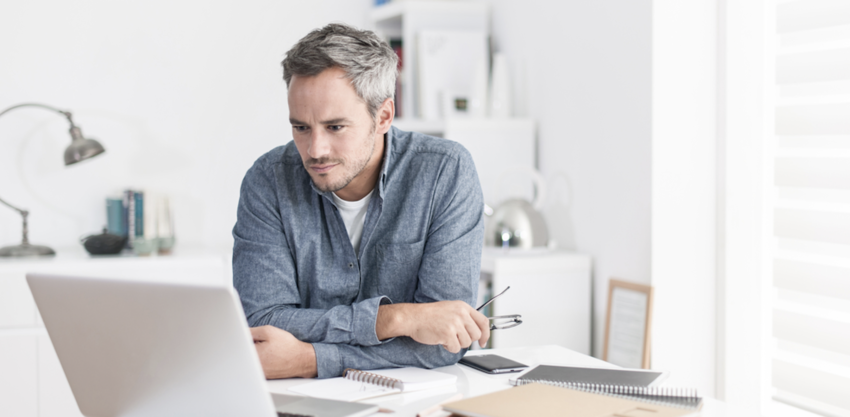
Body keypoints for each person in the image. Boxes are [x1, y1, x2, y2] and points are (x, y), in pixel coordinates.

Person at [232, 23, 489, 380]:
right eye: (301, 127)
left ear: (383, 116)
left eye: (335, 127)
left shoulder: (445, 172)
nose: (315, 150)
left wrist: (309, 359)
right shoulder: (268, 181)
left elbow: (443, 343)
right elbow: (262, 326)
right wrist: (396, 319)